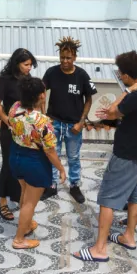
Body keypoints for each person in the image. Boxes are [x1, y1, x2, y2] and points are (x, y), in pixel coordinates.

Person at [74, 51, 137, 263]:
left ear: (129, 76)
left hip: (126, 154)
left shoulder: (135, 95)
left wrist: (126, 91)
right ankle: (129, 236)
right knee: (134, 194)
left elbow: (112, 112)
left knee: (107, 199)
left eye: (121, 74)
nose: (119, 77)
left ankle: (99, 249)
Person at [7, 76, 67, 250]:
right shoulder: (43, 122)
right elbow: (50, 150)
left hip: (16, 155)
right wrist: (61, 169)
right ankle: (19, 239)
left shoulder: (14, 108)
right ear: (41, 95)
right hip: (34, 162)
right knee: (30, 203)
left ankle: (25, 225)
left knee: (25, 192)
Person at [42, 37, 97, 204]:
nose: (65, 61)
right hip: (54, 123)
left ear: (74, 58)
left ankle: (74, 186)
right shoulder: (51, 72)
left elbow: (89, 99)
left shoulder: (82, 75)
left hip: (74, 126)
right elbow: (41, 94)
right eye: (62, 57)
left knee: (73, 157)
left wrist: (81, 122)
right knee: (53, 155)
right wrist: (45, 118)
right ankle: (52, 185)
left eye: (68, 58)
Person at [0, 48, 34, 221]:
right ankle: (3, 202)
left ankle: (18, 196)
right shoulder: (6, 80)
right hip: (9, 129)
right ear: (17, 64)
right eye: (26, 65)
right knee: (8, 164)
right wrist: (6, 120)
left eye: (31, 65)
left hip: (24, 130)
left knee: (21, 164)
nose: (29, 68)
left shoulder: (28, 80)